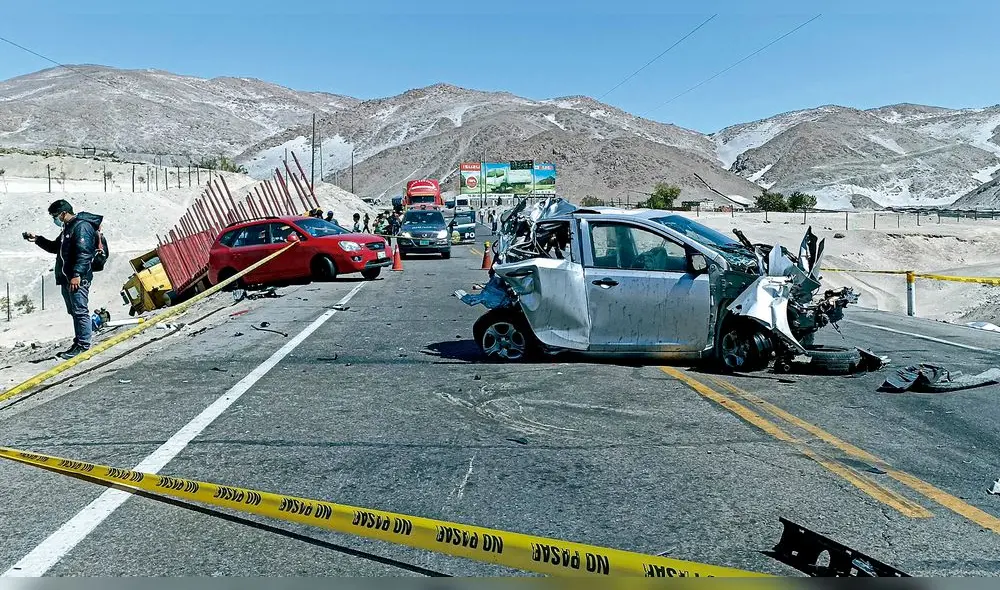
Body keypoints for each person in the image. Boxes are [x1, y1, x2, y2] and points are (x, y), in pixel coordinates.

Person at [22, 199, 103, 360]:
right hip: (68, 278)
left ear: (64, 213)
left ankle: (83, 345)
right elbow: (55, 247)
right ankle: (79, 341)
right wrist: (37, 239)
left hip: (78, 278)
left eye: (55, 215)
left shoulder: (81, 227)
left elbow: (84, 253)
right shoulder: (68, 228)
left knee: (80, 311)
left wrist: (77, 275)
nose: (54, 219)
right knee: (74, 311)